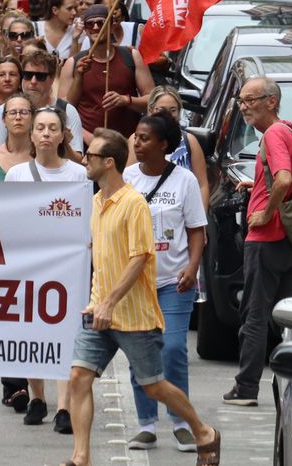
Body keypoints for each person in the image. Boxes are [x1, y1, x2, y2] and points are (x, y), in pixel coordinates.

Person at [68, 128, 222, 466]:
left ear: (109, 162)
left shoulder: (134, 203)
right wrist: (97, 301)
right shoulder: (97, 201)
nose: (84, 160)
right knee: (79, 377)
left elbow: (140, 258)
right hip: (100, 311)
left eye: (91, 156)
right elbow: (102, 259)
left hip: (134, 314)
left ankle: (202, 431)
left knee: (153, 385)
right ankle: (81, 457)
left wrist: (110, 302)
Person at [0, 103, 84, 428]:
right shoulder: (17, 175)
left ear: (63, 135)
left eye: (52, 128)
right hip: (28, 267)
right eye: (40, 128)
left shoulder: (79, 174)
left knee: (66, 335)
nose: (46, 134)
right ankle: (37, 398)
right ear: (31, 134)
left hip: (67, 268)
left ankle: (65, 407)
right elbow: (7, 221)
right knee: (30, 332)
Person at [123, 114, 207, 451]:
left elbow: (196, 230)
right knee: (140, 352)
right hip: (136, 284)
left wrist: (193, 266)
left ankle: (181, 422)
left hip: (175, 281)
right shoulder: (127, 178)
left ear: (163, 145)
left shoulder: (185, 181)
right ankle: (146, 424)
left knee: (172, 349)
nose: (137, 143)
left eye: (144, 138)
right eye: (136, 137)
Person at [225, 78, 292, 407]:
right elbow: (281, 178)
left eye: (250, 100)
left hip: (266, 238)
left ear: (271, 102)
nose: (244, 107)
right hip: (287, 239)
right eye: (241, 101)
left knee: (254, 317)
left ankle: (246, 388)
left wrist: (266, 212)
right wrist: (255, 185)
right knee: (288, 319)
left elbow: (283, 178)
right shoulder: (290, 130)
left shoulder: (273, 135)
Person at [60, 5, 152, 143]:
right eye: (90, 24)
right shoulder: (73, 63)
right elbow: (63, 110)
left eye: (101, 22)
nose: (95, 27)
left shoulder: (131, 56)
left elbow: (152, 100)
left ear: (112, 26)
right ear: (85, 29)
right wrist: (87, 137)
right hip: (87, 144)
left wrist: (126, 100)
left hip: (127, 143)